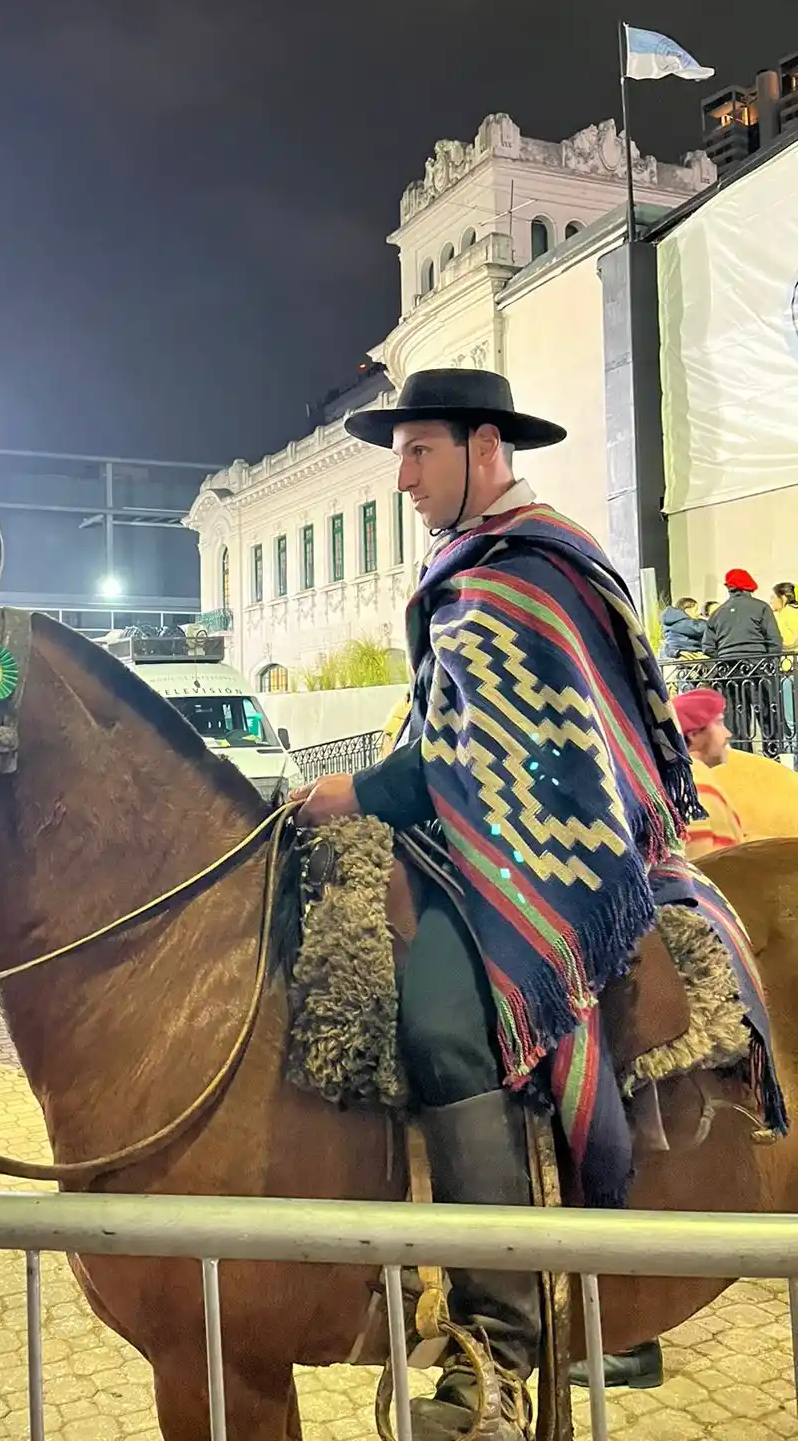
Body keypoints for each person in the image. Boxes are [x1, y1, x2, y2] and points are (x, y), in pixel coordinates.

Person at [294, 369, 785, 1438]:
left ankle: (499, 1352)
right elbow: (451, 737)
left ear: (484, 448)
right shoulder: (468, 567)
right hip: (468, 838)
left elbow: (499, 750)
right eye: (399, 456)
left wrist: (357, 791)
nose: (404, 477)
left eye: (419, 451)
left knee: (444, 1025)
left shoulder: (527, 571)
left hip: (548, 865)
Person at [703, 571, 783, 751]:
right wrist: (767, 661)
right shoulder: (761, 607)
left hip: (728, 672)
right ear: (749, 587)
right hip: (758, 667)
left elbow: (707, 646)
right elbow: (775, 641)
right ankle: (773, 755)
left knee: (737, 716)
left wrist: (724, 658)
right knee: (767, 712)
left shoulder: (717, 613)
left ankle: (743, 759)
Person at [673, 689, 743, 858]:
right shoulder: (695, 778)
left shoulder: (685, 776)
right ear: (694, 734)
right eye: (719, 723)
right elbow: (706, 862)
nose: (728, 734)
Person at [771, 583, 798, 738]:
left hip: (790, 668)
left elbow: (793, 638)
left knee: (790, 716)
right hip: (787, 668)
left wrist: (778, 643)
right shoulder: (783, 613)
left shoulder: (789, 612)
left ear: (782, 597)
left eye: (773, 597)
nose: (771, 601)